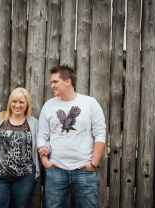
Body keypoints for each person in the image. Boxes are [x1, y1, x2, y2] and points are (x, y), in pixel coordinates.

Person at [37, 65, 106, 208]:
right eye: (51, 82)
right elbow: (42, 135)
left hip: (84, 171)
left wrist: (93, 163)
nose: (52, 86)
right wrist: (45, 162)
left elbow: (100, 134)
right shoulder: (48, 106)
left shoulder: (90, 103)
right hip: (56, 170)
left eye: (55, 82)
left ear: (67, 81)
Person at [0, 87, 40, 208]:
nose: (17, 105)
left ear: (27, 104)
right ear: (10, 102)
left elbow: (43, 142)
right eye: (14, 101)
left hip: (24, 178)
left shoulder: (34, 123)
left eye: (21, 102)